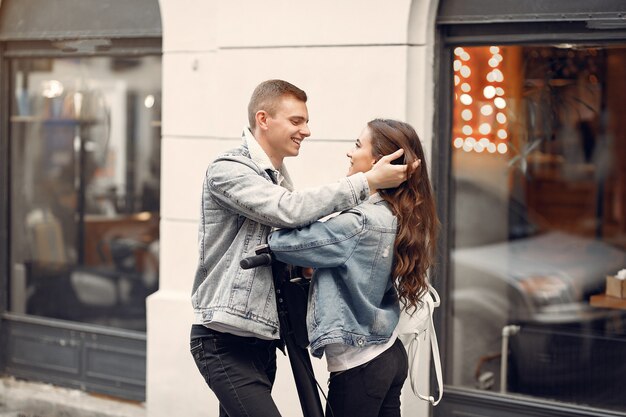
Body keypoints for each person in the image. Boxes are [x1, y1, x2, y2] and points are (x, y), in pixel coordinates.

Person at [189, 80, 415, 417]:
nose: (307, 131)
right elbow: (288, 211)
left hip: (262, 339)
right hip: (222, 341)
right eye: (297, 121)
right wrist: (367, 181)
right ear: (263, 119)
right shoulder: (229, 169)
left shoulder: (277, 176)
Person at [267, 119, 439, 417]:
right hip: (388, 353)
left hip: (361, 363)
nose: (350, 152)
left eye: (358, 145)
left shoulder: (360, 222)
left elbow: (281, 243)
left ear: (379, 161)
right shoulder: (394, 214)